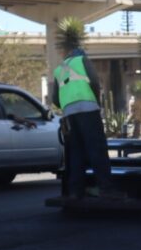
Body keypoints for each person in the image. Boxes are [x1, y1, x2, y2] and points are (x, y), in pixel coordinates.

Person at [52, 43, 124, 200]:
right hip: (88, 109)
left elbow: (55, 99)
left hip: (69, 114)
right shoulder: (82, 60)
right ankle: (106, 188)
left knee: (76, 151)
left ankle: (75, 191)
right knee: (97, 148)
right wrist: (96, 102)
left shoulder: (58, 70)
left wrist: (68, 104)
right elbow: (94, 82)